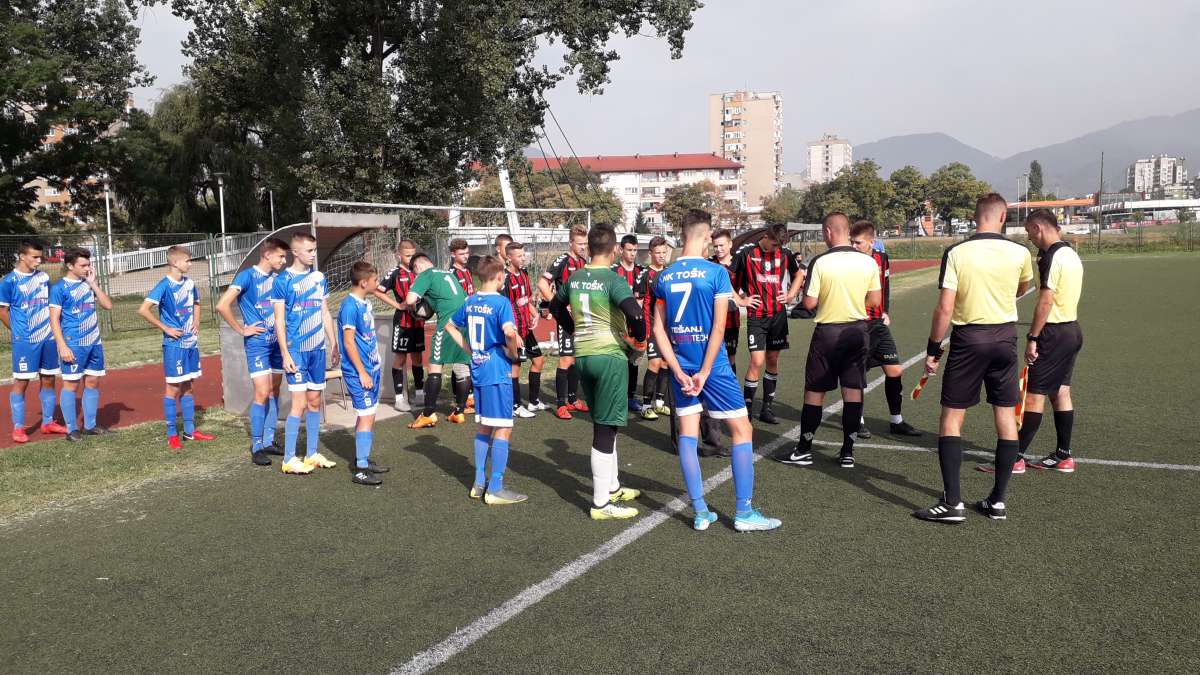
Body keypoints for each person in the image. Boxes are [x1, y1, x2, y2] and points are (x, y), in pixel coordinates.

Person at [654, 210, 782, 532]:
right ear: (706, 236)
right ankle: (744, 512)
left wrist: (677, 370)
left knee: (687, 434)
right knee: (742, 431)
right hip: (713, 367)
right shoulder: (716, 272)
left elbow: (658, 330)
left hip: (682, 366)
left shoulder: (664, 276)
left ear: (681, 235)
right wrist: (706, 370)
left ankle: (700, 512)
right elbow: (719, 328)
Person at [914, 193, 1034, 523]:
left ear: (974, 216)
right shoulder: (1021, 252)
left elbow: (945, 308)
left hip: (969, 339)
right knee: (1006, 416)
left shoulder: (957, 252)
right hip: (1005, 337)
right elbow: (1022, 288)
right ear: (1003, 217)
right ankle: (997, 501)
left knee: (951, 418)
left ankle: (953, 503)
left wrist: (933, 350)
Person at [549, 224, 647, 520]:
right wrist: (639, 341)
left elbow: (555, 307)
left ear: (589, 248)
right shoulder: (613, 279)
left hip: (583, 357)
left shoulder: (576, 277)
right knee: (605, 429)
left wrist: (573, 330)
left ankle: (613, 487)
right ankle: (601, 504)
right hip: (608, 357)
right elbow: (636, 314)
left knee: (605, 424)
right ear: (615, 249)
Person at [772, 213, 881, 469]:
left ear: (829, 232)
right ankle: (848, 452)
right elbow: (875, 301)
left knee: (815, 391)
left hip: (829, 332)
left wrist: (830, 299)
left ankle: (804, 449)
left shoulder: (821, 262)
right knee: (853, 390)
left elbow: (809, 303)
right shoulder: (868, 262)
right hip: (858, 331)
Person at [983, 208, 1082, 474]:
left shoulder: (1051, 257)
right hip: (1072, 330)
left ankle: (1015, 458)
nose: (1029, 238)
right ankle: (1064, 455)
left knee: (1033, 397)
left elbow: (1046, 301)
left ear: (1039, 228)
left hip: (1053, 333)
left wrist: (1033, 337)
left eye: (1029, 232)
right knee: (1060, 392)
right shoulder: (1071, 253)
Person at [445, 255, 529, 505]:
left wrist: (470, 351)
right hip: (496, 370)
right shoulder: (502, 302)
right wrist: (513, 353)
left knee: (484, 426)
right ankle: (496, 488)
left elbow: (449, 326)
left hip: (479, 368)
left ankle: (479, 483)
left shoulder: (470, 301)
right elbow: (509, 333)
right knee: (503, 427)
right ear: (500, 277)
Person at [216, 237, 289, 465]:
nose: (284, 261)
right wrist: (241, 329)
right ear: (267, 255)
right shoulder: (247, 276)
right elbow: (222, 305)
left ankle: (269, 440)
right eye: (281, 256)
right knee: (262, 392)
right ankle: (257, 446)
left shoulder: (278, 279)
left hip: (276, 344)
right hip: (257, 344)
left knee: (274, 390)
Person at [271, 233, 339, 475]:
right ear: (295, 252)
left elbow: (324, 312)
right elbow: (279, 320)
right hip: (296, 351)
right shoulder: (282, 280)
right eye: (309, 250)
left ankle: (311, 454)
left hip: (318, 350)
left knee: (314, 402)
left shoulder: (319, 278)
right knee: (298, 404)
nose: (313, 254)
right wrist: (285, 353)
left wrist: (333, 343)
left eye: (314, 250)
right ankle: (289, 459)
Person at [138, 246, 217, 450]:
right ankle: (172, 434)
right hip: (174, 346)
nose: (190, 264)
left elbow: (197, 303)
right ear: (175, 263)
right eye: (187, 261)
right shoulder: (164, 285)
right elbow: (143, 309)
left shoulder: (190, 283)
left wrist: (196, 322)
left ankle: (190, 431)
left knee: (188, 386)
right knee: (173, 388)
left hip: (191, 343)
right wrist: (166, 328)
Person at [848, 221, 921, 438]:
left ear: (871, 241)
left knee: (895, 370)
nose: (853, 246)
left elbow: (885, 286)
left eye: (858, 243)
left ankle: (896, 421)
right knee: (858, 374)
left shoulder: (882, 258)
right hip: (857, 324)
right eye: (851, 242)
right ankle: (857, 421)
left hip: (878, 325)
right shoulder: (849, 261)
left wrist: (886, 311)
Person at [733, 224, 805, 424]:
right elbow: (725, 278)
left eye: (779, 246)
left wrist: (790, 295)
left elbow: (799, 274)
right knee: (757, 361)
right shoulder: (747, 253)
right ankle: (747, 409)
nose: (776, 249)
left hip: (778, 316)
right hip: (757, 316)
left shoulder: (785, 254)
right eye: (774, 244)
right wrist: (741, 300)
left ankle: (767, 408)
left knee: (772, 360)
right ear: (766, 236)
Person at [0, 239, 66, 443]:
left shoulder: (43, 277)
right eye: (35, 257)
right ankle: (18, 428)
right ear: (22, 256)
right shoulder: (9, 281)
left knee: (49, 378)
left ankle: (48, 422)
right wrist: (17, 331)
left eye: (40, 257)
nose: (39, 261)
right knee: (22, 381)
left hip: (48, 338)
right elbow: (2, 310)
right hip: (26, 341)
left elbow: (52, 304)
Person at [49, 247, 114, 441]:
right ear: (70, 265)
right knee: (71, 384)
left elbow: (108, 305)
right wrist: (62, 346)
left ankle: (90, 426)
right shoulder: (59, 288)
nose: (87, 268)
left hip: (94, 342)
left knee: (93, 381)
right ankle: (71, 430)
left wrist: (93, 284)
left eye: (88, 264)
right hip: (73, 343)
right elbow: (54, 320)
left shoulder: (89, 284)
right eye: (83, 265)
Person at [338, 261, 390, 486]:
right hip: (359, 372)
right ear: (363, 282)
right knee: (367, 415)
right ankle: (360, 470)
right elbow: (349, 342)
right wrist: (362, 372)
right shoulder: (350, 307)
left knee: (368, 414)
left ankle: (363, 460)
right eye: (375, 280)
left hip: (371, 368)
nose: (377, 284)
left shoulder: (364, 302)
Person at [405, 254, 472, 428]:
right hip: (464, 322)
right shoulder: (449, 274)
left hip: (447, 325)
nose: (416, 276)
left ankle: (428, 414)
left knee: (435, 366)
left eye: (415, 273)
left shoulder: (425, 274)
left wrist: (414, 308)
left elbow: (410, 299)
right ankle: (459, 412)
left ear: (418, 267)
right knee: (462, 366)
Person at [538, 223, 589, 419]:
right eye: (579, 243)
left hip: (580, 317)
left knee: (576, 358)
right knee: (566, 359)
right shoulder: (562, 260)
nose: (583, 246)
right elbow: (542, 284)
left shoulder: (583, 262)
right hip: (566, 318)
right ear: (570, 242)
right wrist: (557, 305)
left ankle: (573, 399)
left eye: (585, 243)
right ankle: (560, 404)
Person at [372, 239, 423, 412]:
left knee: (417, 357)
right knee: (400, 359)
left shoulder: (420, 271)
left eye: (413, 255)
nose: (411, 259)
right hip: (402, 322)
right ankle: (399, 399)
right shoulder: (394, 273)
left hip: (418, 321)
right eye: (407, 255)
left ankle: (420, 394)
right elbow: (378, 291)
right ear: (398, 255)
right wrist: (397, 305)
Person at [501, 242, 543, 417]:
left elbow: (525, 300)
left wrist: (536, 314)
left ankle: (533, 402)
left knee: (539, 360)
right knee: (515, 367)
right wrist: (514, 333)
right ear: (509, 258)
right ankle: (515, 406)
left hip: (527, 328)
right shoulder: (505, 279)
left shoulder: (524, 273)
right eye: (519, 256)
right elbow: (505, 308)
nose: (523, 258)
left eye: (523, 254)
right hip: (516, 330)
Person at [636, 236, 672, 420]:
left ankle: (659, 403)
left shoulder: (670, 273)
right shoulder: (644, 274)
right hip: (651, 326)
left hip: (668, 328)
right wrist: (640, 329)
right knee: (655, 363)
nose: (661, 256)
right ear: (650, 253)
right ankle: (645, 406)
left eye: (664, 252)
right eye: (657, 253)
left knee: (666, 363)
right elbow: (638, 303)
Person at [612, 234, 645, 413]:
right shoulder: (613, 271)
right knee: (618, 362)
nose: (632, 253)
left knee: (634, 362)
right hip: (617, 325)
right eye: (629, 250)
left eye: (635, 250)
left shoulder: (641, 271)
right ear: (621, 249)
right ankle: (616, 397)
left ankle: (630, 397)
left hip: (636, 327)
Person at [448, 238, 476, 414]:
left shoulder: (467, 270)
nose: (466, 256)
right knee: (460, 359)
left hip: (469, 320)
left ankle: (466, 397)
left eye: (467, 252)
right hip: (458, 322)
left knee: (467, 358)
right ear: (453, 254)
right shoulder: (451, 274)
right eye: (461, 253)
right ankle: (459, 400)